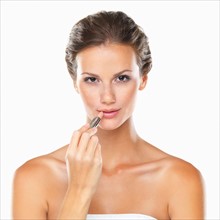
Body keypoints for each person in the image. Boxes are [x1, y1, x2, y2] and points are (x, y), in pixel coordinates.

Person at [12, 11, 204, 220]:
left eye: (121, 78)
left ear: (143, 79)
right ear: (74, 82)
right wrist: (79, 190)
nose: (107, 97)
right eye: (92, 80)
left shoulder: (180, 180)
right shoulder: (33, 179)